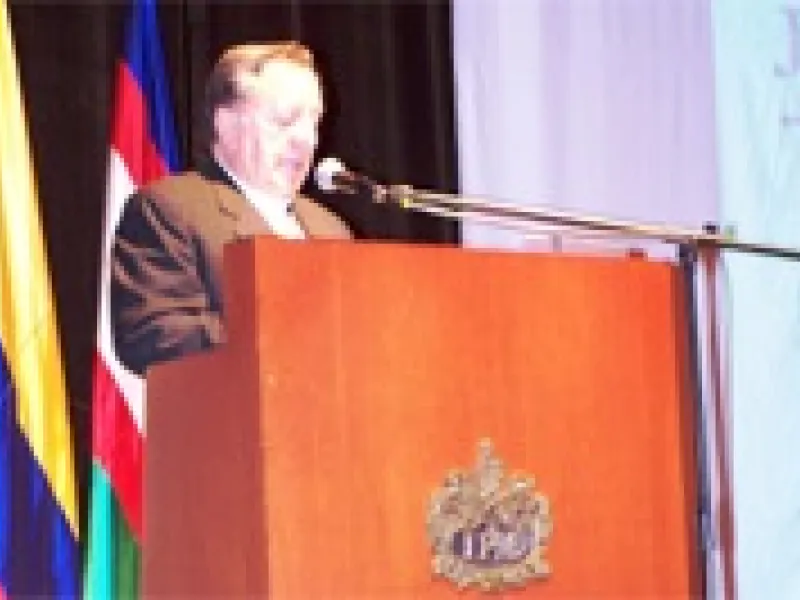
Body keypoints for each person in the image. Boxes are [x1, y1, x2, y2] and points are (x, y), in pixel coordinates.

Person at [110, 42, 351, 376]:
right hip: (227, 407)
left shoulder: (331, 229)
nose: (306, 139)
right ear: (226, 124)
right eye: (285, 120)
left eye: (314, 122)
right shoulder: (172, 209)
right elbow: (151, 334)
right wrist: (280, 329)